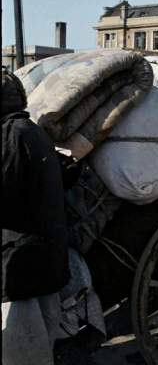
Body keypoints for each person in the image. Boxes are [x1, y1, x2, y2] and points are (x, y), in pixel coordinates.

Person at [2, 69, 70, 365]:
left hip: (22, 266)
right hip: (41, 259)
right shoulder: (27, 130)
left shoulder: (11, 136)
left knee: (23, 354)